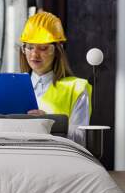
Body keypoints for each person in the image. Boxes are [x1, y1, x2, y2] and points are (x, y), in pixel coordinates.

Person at [20, 11, 92, 145]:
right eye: (29, 47)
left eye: (43, 48)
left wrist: (49, 124)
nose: (34, 54)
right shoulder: (11, 88)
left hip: (57, 161)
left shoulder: (76, 89)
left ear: (57, 50)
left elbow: (81, 139)